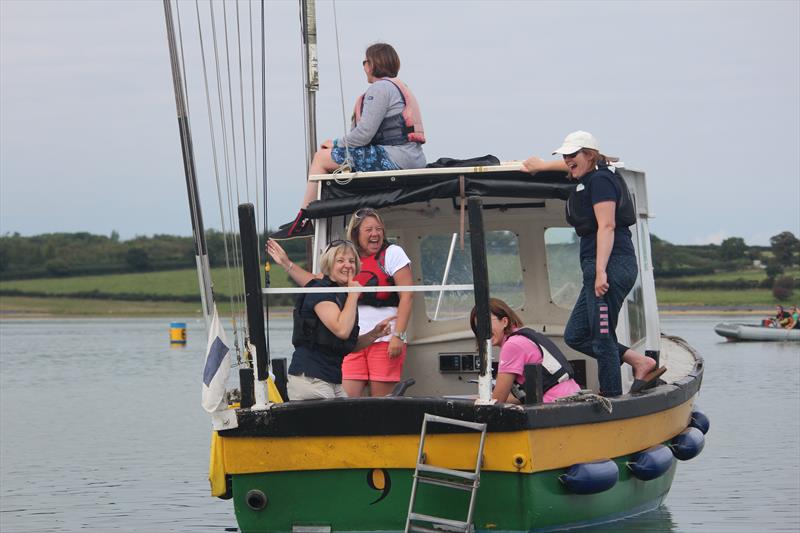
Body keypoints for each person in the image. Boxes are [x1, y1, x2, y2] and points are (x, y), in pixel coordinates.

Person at [522, 131, 666, 396]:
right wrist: (542, 165)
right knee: (575, 334)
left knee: (601, 339)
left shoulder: (600, 180)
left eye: (573, 154)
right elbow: (568, 164)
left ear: (589, 155)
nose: (567, 160)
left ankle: (611, 400)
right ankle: (639, 361)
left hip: (611, 265)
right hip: (596, 266)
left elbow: (607, 225)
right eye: (564, 155)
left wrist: (601, 271)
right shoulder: (590, 174)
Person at [272, 42, 426, 239]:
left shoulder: (380, 89)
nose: (364, 67)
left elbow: (363, 135)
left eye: (365, 62)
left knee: (321, 158)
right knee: (331, 158)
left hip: (397, 159)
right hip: (411, 157)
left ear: (372, 64)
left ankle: (305, 219)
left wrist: (335, 144)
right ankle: (307, 217)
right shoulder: (399, 87)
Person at [267, 207, 413, 397]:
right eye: (368, 230)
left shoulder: (391, 254)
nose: (375, 234)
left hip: (378, 339)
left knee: (380, 404)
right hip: (320, 368)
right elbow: (315, 284)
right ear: (356, 233)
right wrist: (287, 264)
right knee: (348, 399)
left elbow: (407, 295)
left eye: (379, 229)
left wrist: (396, 335)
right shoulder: (325, 288)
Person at [285, 239, 393, 400]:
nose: (347, 265)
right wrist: (354, 295)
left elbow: (346, 344)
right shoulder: (320, 292)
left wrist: (374, 334)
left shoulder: (344, 296)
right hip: (311, 379)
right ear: (329, 265)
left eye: (351, 261)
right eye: (340, 261)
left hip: (332, 380)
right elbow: (342, 330)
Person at [470, 298, 581, 404]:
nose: (483, 330)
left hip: (554, 407)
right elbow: (521, 397)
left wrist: (478, 400)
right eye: (478, 327)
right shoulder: (523, 336)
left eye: (487, 322)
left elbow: (497, 400)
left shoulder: (512, 345)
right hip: (572, 401)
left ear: (504, 321)